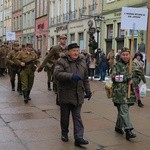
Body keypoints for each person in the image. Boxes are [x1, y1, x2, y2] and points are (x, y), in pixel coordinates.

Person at [54, 43, 92, 146]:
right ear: (68, 52)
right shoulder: (62, 61)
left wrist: (88, 90)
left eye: (77, 50)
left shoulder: (82, 61)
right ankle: (64, 133)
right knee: (65, 117)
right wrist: (71, 76)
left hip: (78, 94)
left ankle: (79, 137)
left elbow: (85, 78)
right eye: (73, 51)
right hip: (65, 93)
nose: (76, 53)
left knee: (77, 117)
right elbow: (57, 74)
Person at [111, 47, 141, 140]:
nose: (125, 56)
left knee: (122, 111)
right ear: (121, 56)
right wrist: (126, 77)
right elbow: (113, 77)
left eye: (127, 54)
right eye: (123, 55)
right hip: (119, 93)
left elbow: (138, 77)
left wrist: (134, 81)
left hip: (129, 92)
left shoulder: (133, 66)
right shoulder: (117, 66)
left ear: (130, 55)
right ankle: (128, 130)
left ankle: (118, 126)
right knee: (124, 110)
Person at [37, 34, 68, 104]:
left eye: (65, 39)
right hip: (57, 68)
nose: (64, 40)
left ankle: (62, 99)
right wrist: (41, 67)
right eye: (63, 39)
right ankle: (59, 99)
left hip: (66, 68)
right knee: (58, 83)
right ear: (60, 40)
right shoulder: (55, 48)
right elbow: (47, 58)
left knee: (65, 84)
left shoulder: (68, 48)